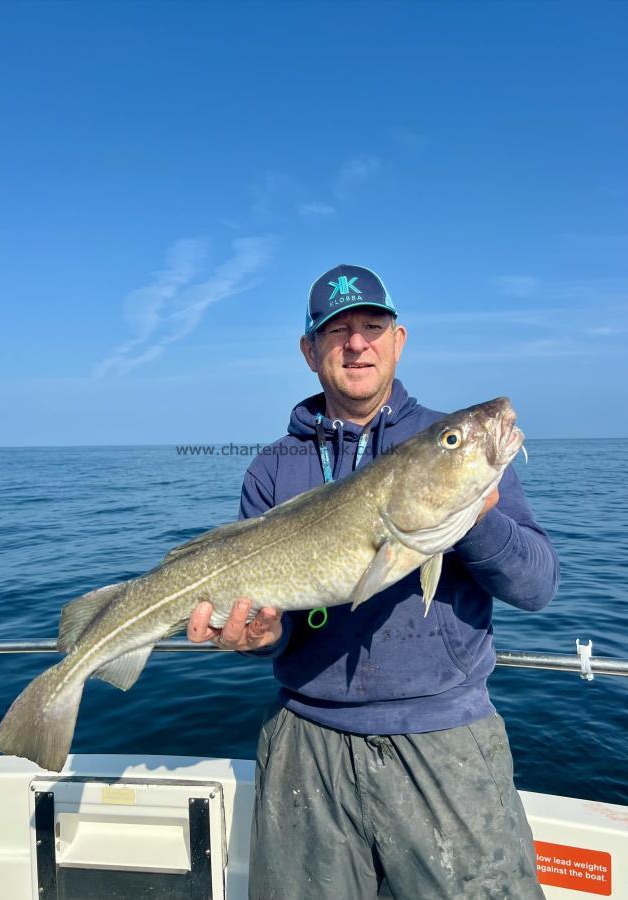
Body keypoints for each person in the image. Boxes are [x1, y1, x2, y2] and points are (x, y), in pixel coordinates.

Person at [188, 264, 560, 899]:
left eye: (372, 326)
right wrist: (260, 636)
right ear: (310, 352)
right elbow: (281, 630)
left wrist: (468, 514)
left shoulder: (454, 447)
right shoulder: (272, 470)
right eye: (336, 331)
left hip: (446, 741)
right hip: (306, 741)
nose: (356, 343)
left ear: (399, 339)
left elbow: (537, 586)